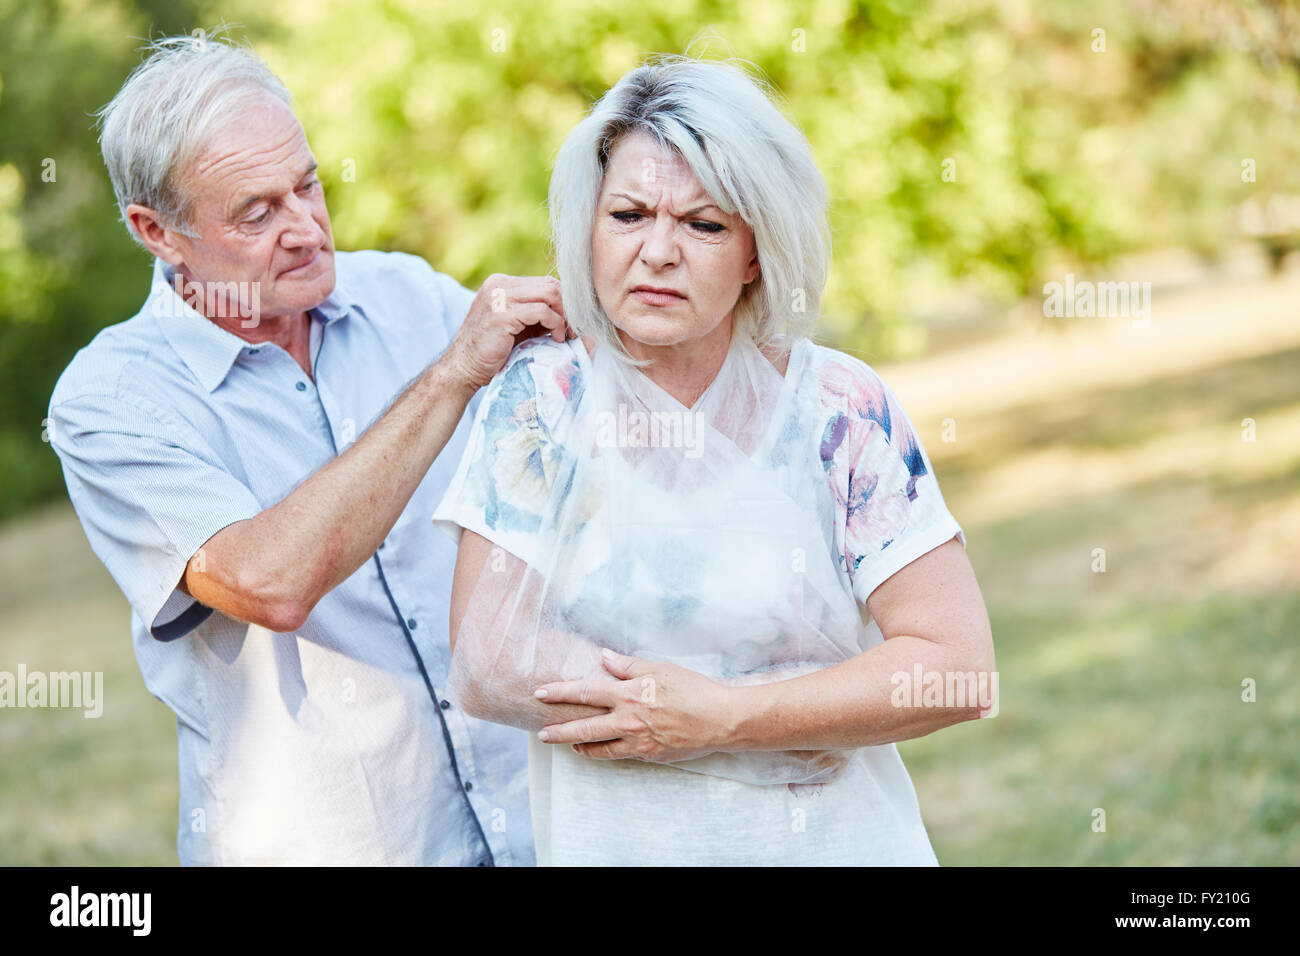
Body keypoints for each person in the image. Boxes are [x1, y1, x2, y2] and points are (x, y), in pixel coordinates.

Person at [433, 56, 997, 865]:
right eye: (627, 214)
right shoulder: (545, 400)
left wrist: (722, 715)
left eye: (704, 225)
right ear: (586, 226)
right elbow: (489, 660)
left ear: (756, 253)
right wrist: (719, 712)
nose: (658, 252)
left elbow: (955, 666)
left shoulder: (839, 407)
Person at [46, 33, 569, 865]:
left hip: (528, 827)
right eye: (256, 212)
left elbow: (576, 439)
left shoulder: (408, 296)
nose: (305, 228)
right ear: (157, 232)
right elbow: (268, 581)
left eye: (308, 185)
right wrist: (448, 381)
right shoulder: (109, 398)